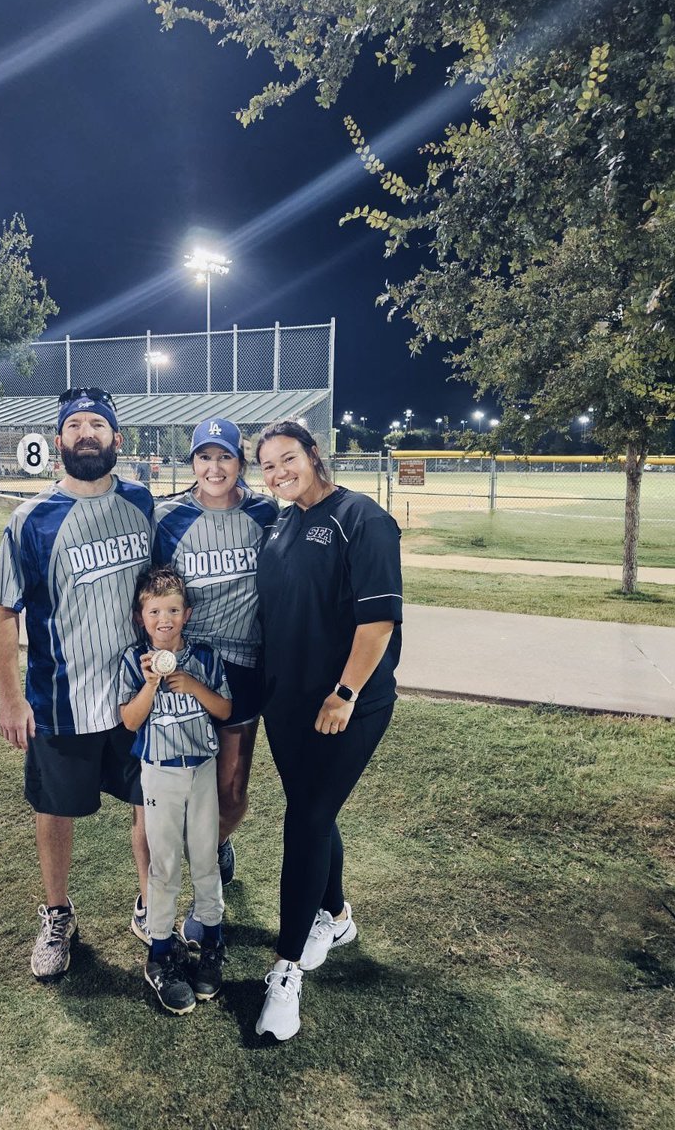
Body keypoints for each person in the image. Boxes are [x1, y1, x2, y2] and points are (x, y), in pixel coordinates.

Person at [0, 386, 153, 980]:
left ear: (117, 438)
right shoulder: (29, 520)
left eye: (98, 424)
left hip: (137, 694)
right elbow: (4, 612)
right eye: (76, 424)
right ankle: (58, 912)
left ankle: (150, 906)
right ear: (59, 440)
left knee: (149, 804)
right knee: (54, 809)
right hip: (60, 696)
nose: (88, 433)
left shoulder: (142, 503)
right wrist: (10, 697)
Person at [252, 420, 403, 1041]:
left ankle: (286, 972)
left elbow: (377, 626)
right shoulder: (281, 524)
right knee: (311, 810)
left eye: (288, 458)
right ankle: (335, 916)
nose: (279, 472)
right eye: (268, 466)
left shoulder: (362, 519)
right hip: (285, 705)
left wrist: (345, 693)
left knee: (307, 820)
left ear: (315, 455)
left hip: (346, 706)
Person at [151, 416, 277, 939]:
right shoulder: (170, 519)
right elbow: (155, 595)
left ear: (240, 464)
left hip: (245, 662)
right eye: (204, 457)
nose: (214, 467)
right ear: (193, 464)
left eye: (224, 456)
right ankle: (169, 885)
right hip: (190, 663)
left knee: (230, 784)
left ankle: (215, 851)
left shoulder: (265, 513)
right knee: (178, 781)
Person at [119, 566, 232, 1014]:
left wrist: (194, 686)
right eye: (154, 611)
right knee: (163, 865)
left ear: (186, 614)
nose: (163, 619)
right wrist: (151, 684)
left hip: (201, 768)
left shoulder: (203, 656)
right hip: (159, 772)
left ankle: (211, 944)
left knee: (205, 859)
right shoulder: (134, 660)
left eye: (172, 610)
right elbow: (130, 720)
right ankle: (160, 955)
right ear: (141, 617)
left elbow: (225, 709)